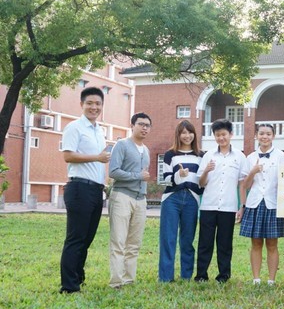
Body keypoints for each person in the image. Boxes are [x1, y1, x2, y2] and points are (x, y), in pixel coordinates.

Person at [60, 87, 111, 294]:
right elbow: (68, 156)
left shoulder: (99, 130)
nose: (94, 107)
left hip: (96, 190)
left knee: (87, 238)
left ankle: (78, 278)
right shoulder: (74, 127)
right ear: (82, 104)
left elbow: (99, 163)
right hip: (79, 188)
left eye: (98, 104)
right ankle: (69, 287)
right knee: (76, 238)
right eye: (90, 103)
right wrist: (96, 158)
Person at [194, 119, 248, 283]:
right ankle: (201, 275)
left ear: (231, 134)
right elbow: (201, 183)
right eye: (217, 135)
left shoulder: (239, 156)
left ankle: (223, 275)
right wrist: (206, 171)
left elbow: (242, 184)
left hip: (228, 207)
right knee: (205, 242)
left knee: (225, 243)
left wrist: (241, 206)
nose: (221, 138)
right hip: (208, 205)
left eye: (224, 134)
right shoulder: (208, 155)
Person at [239, 123, 284, 285]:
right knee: (256, 242)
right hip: (255, 203)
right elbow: (244, 185)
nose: (264, 137)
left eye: (268, 134)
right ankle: (256, 278)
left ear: (273, 136)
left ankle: (271, 279)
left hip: (273, 203)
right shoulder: (250, 157)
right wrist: (252, 171)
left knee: (272, 243)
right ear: (256, 136)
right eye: (261, 133)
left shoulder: (281, 156)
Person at [108, 112, 152, 289]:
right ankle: (116, 281)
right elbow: (113, 171)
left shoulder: (147, 150)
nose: (144, 128)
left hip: (140, 199)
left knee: (134, 243)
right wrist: (137, 176)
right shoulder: (122, 145)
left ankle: (129, 279)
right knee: (118, 241)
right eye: (141, 124)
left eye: (147, 125)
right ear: (132, 125)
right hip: (122, 196)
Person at [158, 120, 204, 282]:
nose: (187, 135)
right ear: (178, 135)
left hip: (192, 198)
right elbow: (166, 180)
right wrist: (179, 175)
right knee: (168, 238)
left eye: (190, 132)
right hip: (172, 199)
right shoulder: (171, 154)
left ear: (194, 134)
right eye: (183, 132)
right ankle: (165, 277)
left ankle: (186, 276)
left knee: (187, 239)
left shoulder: (201, 155)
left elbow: (202, 181)